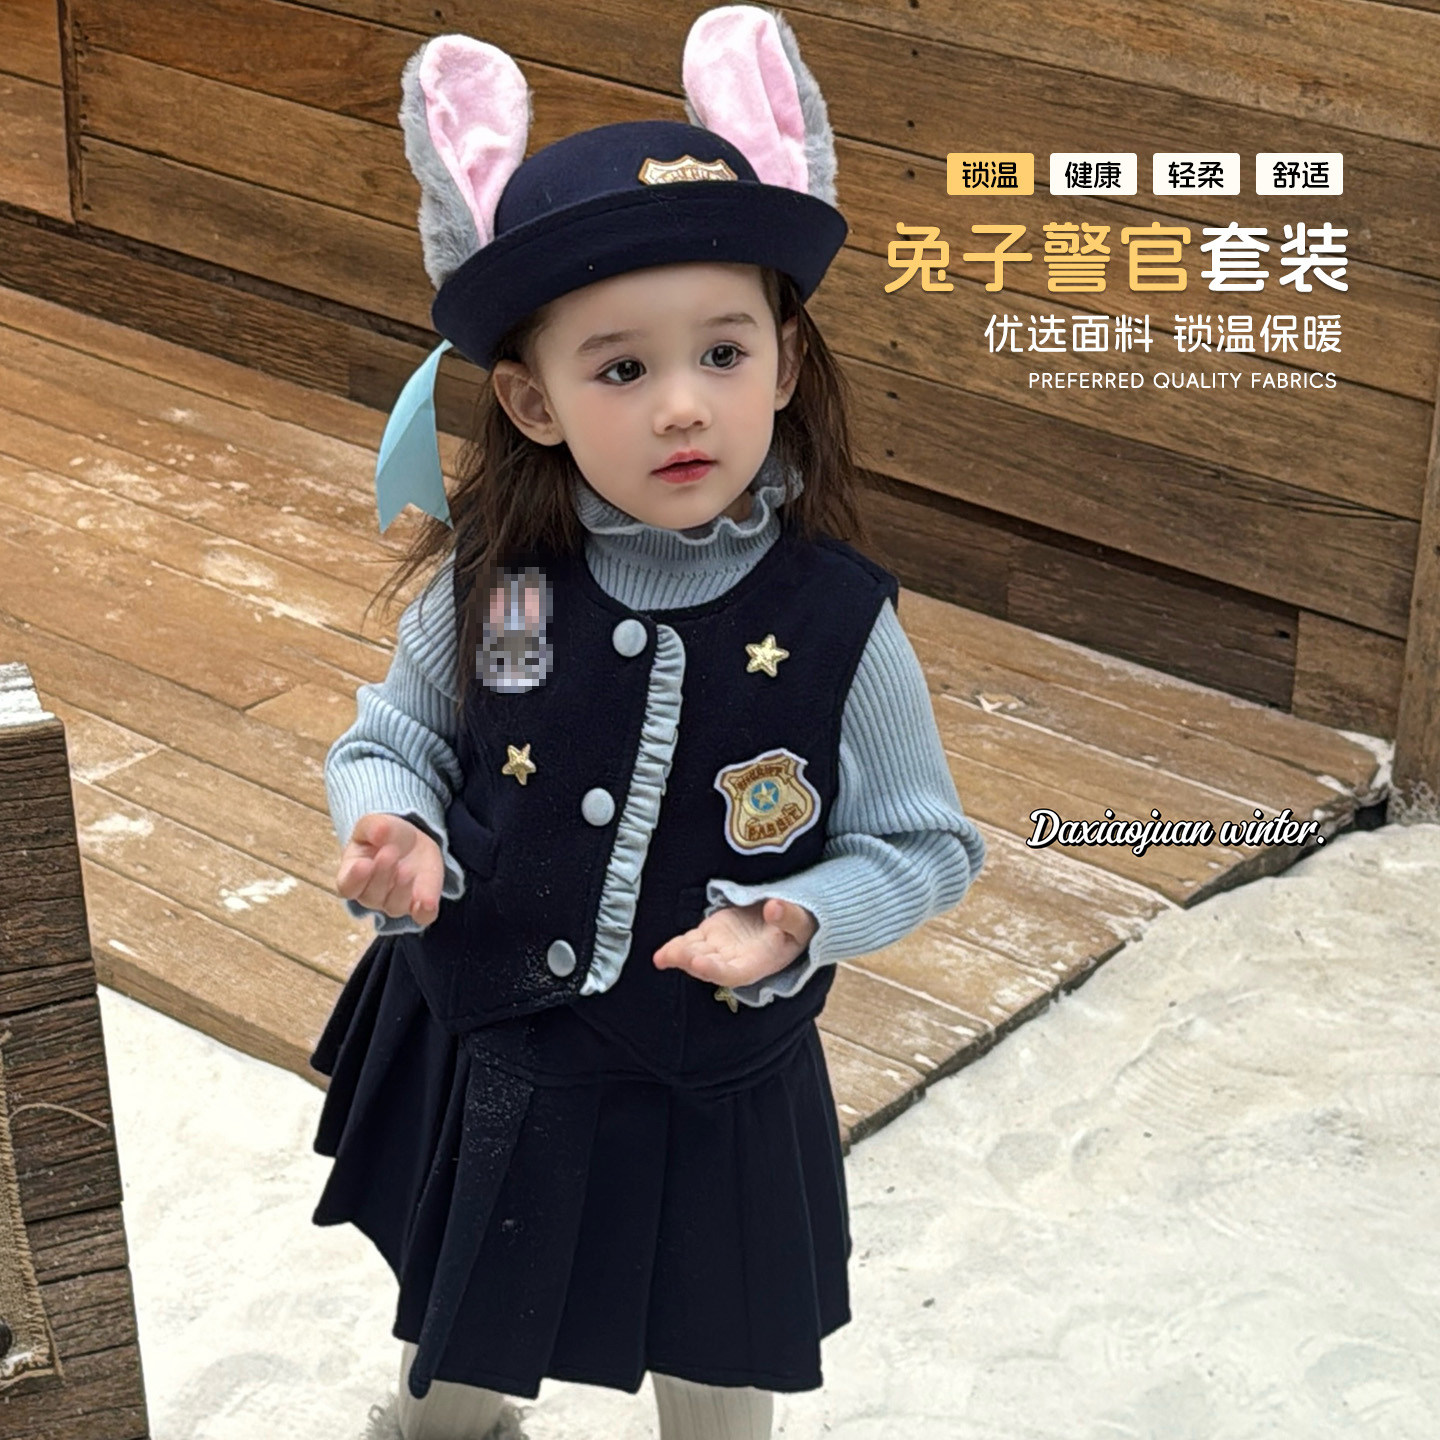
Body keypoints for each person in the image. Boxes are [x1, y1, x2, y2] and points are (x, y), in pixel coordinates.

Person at [308, 9, 987, 1439]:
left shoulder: (840, 625)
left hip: (711, 1079)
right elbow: (399, 739)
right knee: (464, 1345)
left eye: (722, 353)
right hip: (501, 1041)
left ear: (785, 365)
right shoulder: (505, 589)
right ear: (531, 399)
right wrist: (395, 827)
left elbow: (925, 846)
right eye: (620, 369)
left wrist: (797, 918)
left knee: (720, 1365)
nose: (683, 407)